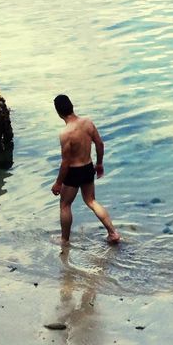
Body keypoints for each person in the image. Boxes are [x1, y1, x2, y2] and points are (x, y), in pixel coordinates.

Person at [51, 94, 121, 245]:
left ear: (58, 112)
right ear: (72, 106)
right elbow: (100, 144)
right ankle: (113, 233)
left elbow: (65, 163)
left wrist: (58, 183)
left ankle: (64, 240)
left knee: (65, 205)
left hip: (74, 172)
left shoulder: (65, 134)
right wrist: (99, 164)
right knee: (91, 201)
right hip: (88, 168)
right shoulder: (88, 123)